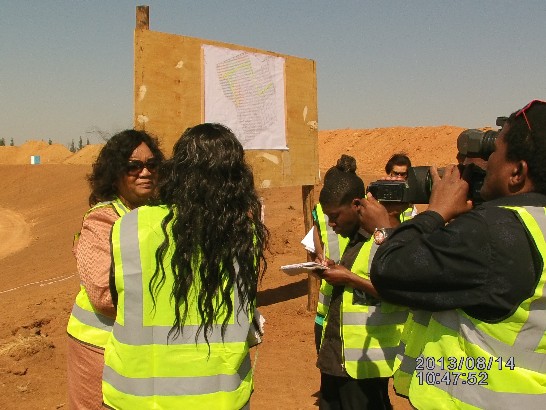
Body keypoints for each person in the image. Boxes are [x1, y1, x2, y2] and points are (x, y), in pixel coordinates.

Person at [368, 100, 546, 409]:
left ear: (516, 172)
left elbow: (389, 271)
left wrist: (435, 211)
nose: (487, 165)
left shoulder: (493, 231)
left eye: (495, 155)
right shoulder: (534, 225)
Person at [102, 123, 269, 409]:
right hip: (220, 399)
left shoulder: (130, 225)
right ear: (237, 178)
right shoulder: (245, 235)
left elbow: (119, 299)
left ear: (176, 171)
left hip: (136, 397)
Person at [66, 129, 164, 409]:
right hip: (97, 347)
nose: (145, 172)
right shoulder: (102, 220)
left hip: (136, 347)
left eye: (151, 164)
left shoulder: (158, 212)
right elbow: (102, 293)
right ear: (114, 173)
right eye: (133, 166)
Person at [315, 157, 408, 410]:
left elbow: (402, 293)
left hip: (365, 367)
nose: (332, 225)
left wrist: (348, 278)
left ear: (356, 204)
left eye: (335, 217)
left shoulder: (386, 237)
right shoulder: (353, 238)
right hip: (337, 359)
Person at [384, 153, 417, 220]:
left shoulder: (409, 198)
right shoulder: (378, 194)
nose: (399, 177)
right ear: (389, 173)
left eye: (403, 174)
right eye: (396, 173)